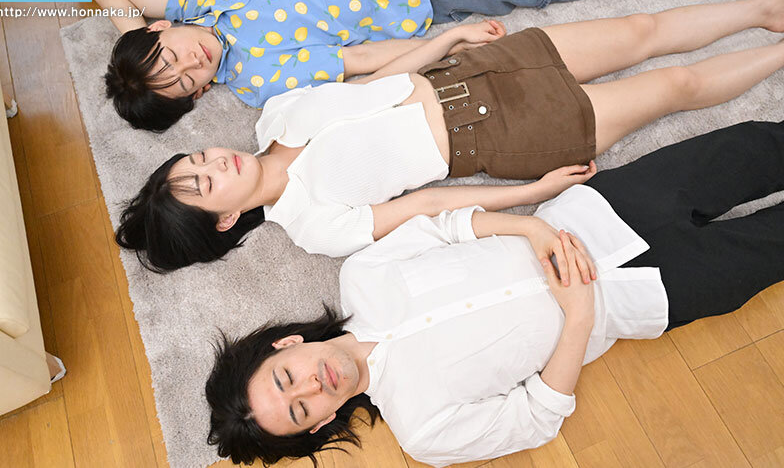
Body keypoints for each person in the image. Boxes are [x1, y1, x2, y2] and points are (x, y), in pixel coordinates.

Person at [204, 120, 784, 467]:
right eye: (301, 408)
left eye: (287, 377)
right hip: (648, 296)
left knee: (754, 147)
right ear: (318, 424)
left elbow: (446, 226)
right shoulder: (423, 432)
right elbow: (536, 418)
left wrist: (532, 229)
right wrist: (579, 319)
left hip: (597, 210)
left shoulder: (362, 275)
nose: (312, 385)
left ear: (287, 344)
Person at [115, 0, 784, 272]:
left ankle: (765, 9)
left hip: (473, 70)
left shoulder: (276, 114)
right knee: (675, 87)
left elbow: (375, 82)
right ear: (226, 220)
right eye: (206, 184)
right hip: (505, 136)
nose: (216, 163)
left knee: (640, 31)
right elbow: (429, 206)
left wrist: (447, 41)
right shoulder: (313, 226)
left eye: (195, 159)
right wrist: (532, 192)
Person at [95, 0, 747, 130]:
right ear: (201, 97)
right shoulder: (259, 77)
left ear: (160, 30)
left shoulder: (198, 2)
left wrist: (137, 40)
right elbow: (364, 62)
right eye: (187, 84)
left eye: (171, 58)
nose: (193, 64)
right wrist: (446, 43)